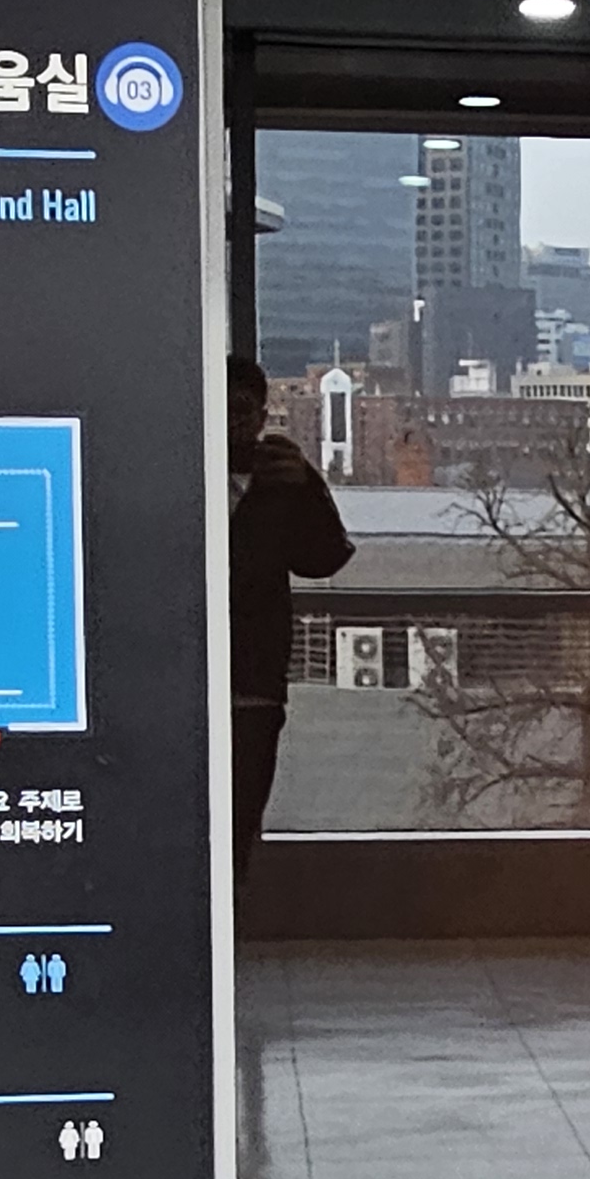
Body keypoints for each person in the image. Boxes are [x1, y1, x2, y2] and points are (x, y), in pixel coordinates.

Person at [227, 356, 352, 880]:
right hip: (181, 680)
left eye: (240, 410)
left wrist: (304, 487)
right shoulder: (169, 474)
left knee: (239, 823)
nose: (232, 424)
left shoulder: (282, 478)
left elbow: (323, 557)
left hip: (253, 680)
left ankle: (230, 912)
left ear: (260, 417)